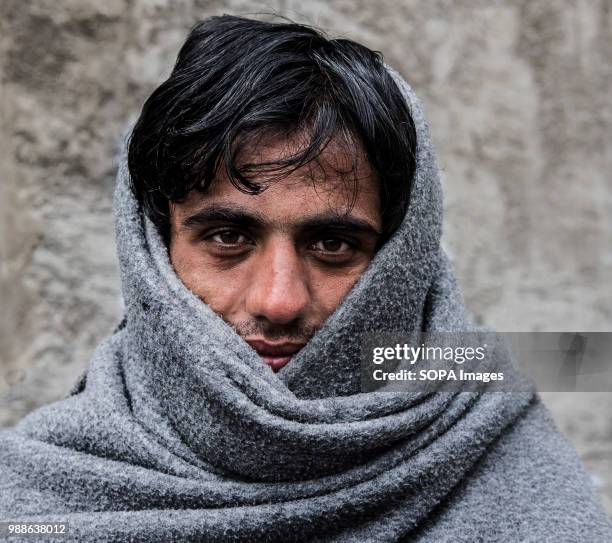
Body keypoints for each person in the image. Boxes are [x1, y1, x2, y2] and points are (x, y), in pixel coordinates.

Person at [0, 14, 610, 542]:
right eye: (227, 237)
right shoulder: (34, 504)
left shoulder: (495, 436)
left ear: (403, 257)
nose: (279, 300)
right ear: (152, 250)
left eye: (333, 244)